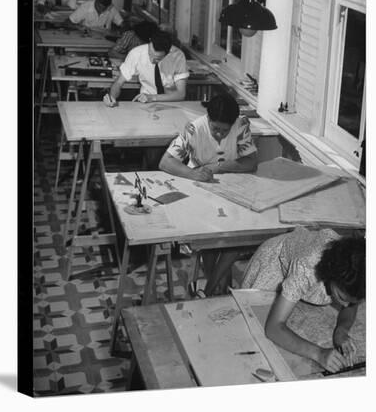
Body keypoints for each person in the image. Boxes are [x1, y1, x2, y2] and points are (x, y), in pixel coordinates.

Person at [159, 93, 258, 296]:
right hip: (200, 187)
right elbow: (166, 162)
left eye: (225, 130)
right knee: (211, 235)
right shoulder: (195, 129)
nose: (220, 135)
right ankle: (219, 287)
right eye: (216, 129)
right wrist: (193, 173)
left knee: (238, 236)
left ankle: (211, 288)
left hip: (231, 188)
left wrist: (219, 167)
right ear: (208, 120)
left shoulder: (240, 126)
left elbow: (251, 162)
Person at [241, 226, 366, 373]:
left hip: (302, 258)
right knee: (252, 328)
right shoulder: (305, 269)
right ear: (330, 275)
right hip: (273, 263)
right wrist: (319, 353)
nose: (346, 305)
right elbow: (273, 327)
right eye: (341, 297)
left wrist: (341, 330)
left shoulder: (355, 270)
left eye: (353, 302)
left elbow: (351, 301)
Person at [103, 28, 189, 106]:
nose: (151, 60)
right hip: (146, 104)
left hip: (171, 104)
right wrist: (112, 97)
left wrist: (152, 97)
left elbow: (180, 94)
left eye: (157, 59)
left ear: (167, 53)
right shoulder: (136, 53)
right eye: (150, 54)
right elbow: (118, 83)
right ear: (150, 42)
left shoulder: (178, 56)